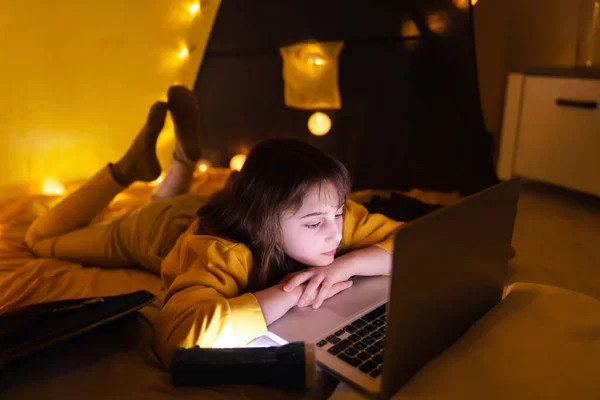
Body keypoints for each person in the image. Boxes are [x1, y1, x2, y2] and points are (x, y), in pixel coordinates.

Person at [24, 86, 404, 366]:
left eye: (337, 213)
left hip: (215, 204)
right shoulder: (216, 252)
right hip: (154, 230)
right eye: (314, 223)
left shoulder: (326, 214)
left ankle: (183, 164)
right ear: (265, 220)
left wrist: (346, 265)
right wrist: (293, 292)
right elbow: (179, 336)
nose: (335, 233)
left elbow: (412, 240)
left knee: (172, 199)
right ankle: (126, 172)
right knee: (40, 238)